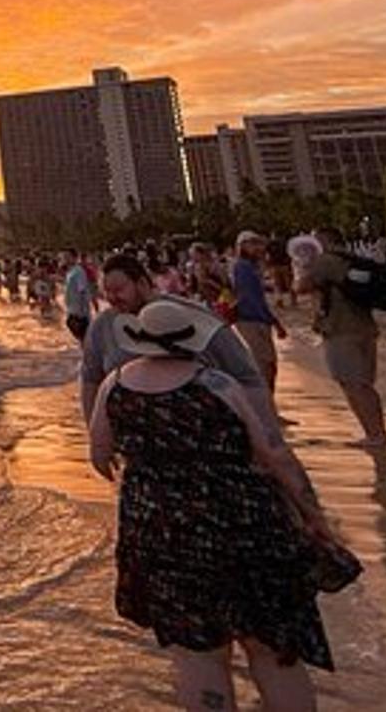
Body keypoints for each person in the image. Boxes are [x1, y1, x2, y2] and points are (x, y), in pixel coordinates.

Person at [88, 299, 344, 712]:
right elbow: (272, 454)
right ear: (192, 342)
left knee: (197, 654)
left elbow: (101, 456)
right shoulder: (217, 384)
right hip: (241, 522)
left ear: (140, 341)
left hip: (160, 530)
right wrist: (314, 517)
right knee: (271, 647)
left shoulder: (114, 385)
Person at [80, 252, 276, 435]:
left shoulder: (194, 319)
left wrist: (266, 436)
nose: (113, 298)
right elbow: (91, 380)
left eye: (119, 290)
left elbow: (248, 377)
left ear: (142, 284)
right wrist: (95, 434)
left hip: (200, 437)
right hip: (137, 442)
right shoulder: (101, 328)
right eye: (107, 292)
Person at [292, 232, 386, 447]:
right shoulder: (355, 260)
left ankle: (375, 435)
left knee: (352, 384)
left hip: (339, 328)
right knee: (365, 385)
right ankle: (379, 431)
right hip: (365, 326)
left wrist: (303, 265)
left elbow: (300, 287)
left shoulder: (325, 262)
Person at [230, 232, 289, 399]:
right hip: (250, 319)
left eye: (258, 244)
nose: (257, 247)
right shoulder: (243, 267)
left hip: (257, 319)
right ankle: (265, 407)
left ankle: (267, 406)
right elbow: (251, 298)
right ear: (242, 246)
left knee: (268, 365)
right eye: (252, 244)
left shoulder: (250, 267)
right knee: (265, 366)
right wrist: (273, 321)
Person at [63, 255, 98, 342]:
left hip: (79, 311)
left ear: (74, 258)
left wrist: (84, 310)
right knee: (81, 335)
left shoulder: (78, 272)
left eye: (68, 256)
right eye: (64, 257)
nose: (65, 259)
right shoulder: (71, 272)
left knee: (84, 336)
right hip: (72, 309)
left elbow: (83, 290)